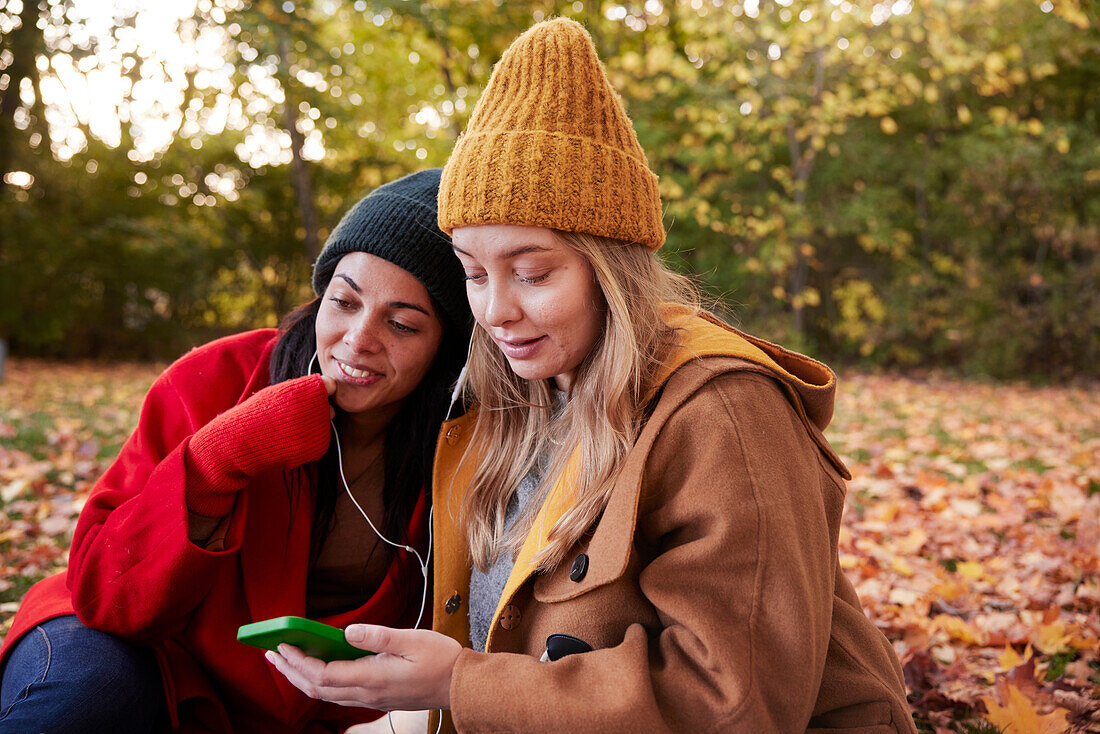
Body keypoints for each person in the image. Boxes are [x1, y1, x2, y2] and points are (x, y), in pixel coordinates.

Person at [267, 20, 918, 733]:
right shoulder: (513, 401)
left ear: (611, 266)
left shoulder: (722, 411)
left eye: (534, 272)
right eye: (475, 274)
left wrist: (461, 683)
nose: (497, 311)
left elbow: (735, 705)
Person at [0, 169, 471, 734]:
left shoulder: (470, 439)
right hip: (152, 656)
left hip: (318, 704)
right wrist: (219, 456)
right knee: (87, 692)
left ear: (448, 346)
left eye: (401, 324)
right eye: (343, 302)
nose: (358, 339)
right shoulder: (216, 378)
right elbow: (107, 597)